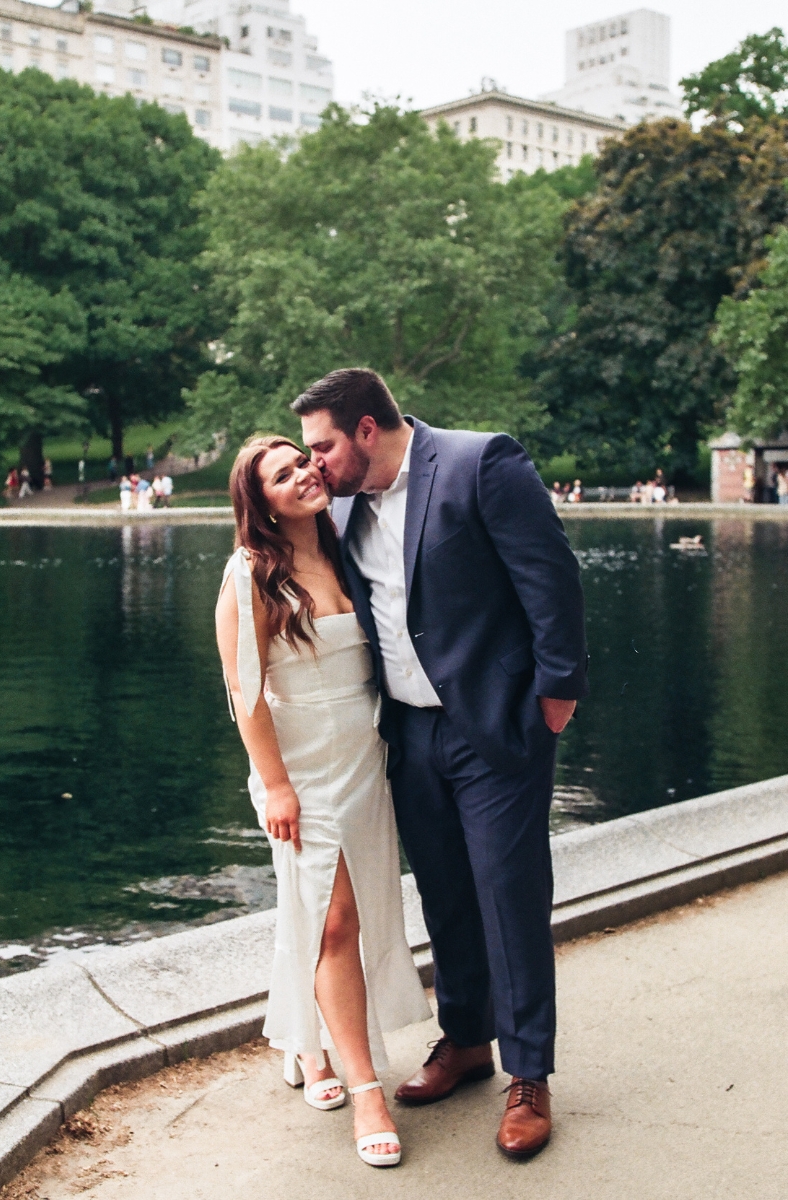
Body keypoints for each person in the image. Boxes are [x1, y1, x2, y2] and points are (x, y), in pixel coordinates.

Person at [294, 368, 588, 1161]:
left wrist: (556, 692)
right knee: (448, 893)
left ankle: (529, 1074)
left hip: (495, 726)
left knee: (510, 894)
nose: (313, 462)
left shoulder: (478, 463)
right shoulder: (345, 503)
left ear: (364, 429)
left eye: (321, 446)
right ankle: (464, 1039)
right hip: (407, 735)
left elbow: (550, 577)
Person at [216, 436, 431, 1169]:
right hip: (299, 769)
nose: (303, 474)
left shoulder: (350, 553)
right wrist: (275, 784)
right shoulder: (250, 575)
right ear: (263, 502)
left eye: (302, 461)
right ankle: (365, 1083)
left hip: (364, 758)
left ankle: (307, 1045)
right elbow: (245, 692)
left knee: (333, 913)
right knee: (334, 919)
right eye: (282, 474)